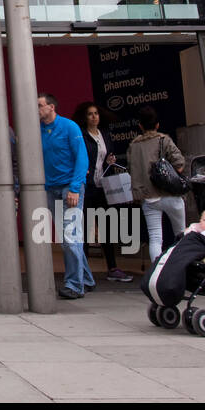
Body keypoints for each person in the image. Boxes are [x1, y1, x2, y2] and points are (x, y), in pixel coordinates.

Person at [39, 93, 91, 300]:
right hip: (50, 188)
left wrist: (75, 188)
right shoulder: (38, 131)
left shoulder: (70, 127)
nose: (37, 109)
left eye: (40, 105)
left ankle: (75, 285)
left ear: (51, 107)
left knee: (70, 238)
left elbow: (82, 158)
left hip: (69, 187)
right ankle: (86, 278)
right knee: (68, 238)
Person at [73, 102, 131, 282]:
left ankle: (112, 267)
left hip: (103, 185)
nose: (94, 117)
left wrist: (110, 160)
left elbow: (105, 156)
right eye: (90, 114)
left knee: (107, 226)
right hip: (88, 185)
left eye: (96, 113)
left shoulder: (104, 134)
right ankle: (83, 270)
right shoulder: (82, 135)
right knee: (85, 227)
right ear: (85, 117)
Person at [127, 106, 187, 264]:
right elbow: (179, 163)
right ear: (157, 124)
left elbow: (130, 169)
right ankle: (182, 267)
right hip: (170, 195)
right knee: (180, 234)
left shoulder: (133, 146)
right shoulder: (164, 139)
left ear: (140, 125)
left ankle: (157, 272)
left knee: (155, 239)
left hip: (149, 198)